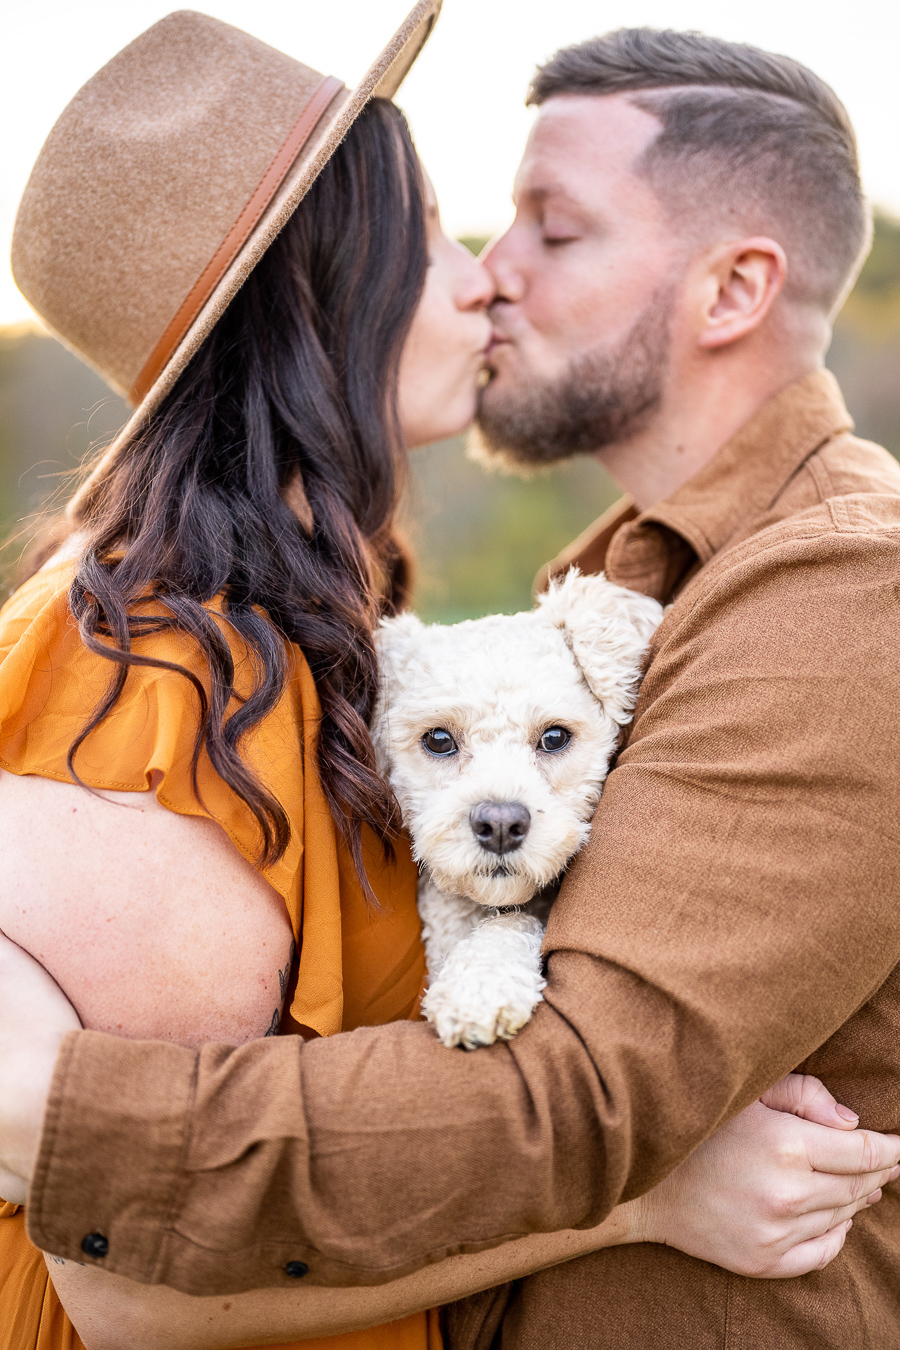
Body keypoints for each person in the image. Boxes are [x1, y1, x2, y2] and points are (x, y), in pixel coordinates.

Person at [2, 15, 900, 1350]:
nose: (492, 276)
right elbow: (127, 1275)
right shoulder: (190, 673)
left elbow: (583, 1087)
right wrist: (639, 1200)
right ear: (321, 303)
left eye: (556, 229)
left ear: (734, 289)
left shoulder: (829, 595)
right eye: (450, 233)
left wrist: (48, 1108)